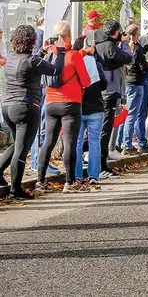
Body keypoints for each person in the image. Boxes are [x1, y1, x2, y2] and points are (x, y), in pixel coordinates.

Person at [0, 25, 56, 199]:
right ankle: (15, 190)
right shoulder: (33, 61)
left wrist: (41, 51)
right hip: (26, 106)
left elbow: (30, 64)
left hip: (7, 106)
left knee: (17, 145)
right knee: (21, 150)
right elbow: (53, 70)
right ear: (32, 41)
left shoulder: (10, 58)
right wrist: (57, 52)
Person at [36, 22, 93, 193]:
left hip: (51, 103)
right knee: (69, 142)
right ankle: (70, 182)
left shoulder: (48, 55)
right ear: (68, 34)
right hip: (71, 104)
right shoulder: (73, 56)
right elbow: (86, 81)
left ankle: (40, 180)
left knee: (48, 142)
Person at [94, 20, 133, 174]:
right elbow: (129, 58)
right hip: (109, 91)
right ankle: (101, 166)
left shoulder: (97, 45)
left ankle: (96, 164)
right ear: (116, 33)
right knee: (105, 129)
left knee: (98, 128)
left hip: (99, 90)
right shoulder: (110, 46)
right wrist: (124, 43)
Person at [73, 33, 107, 185]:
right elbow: (104, 84)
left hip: (78, 107)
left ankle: (77, 175)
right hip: (96, 107)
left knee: (77, 142)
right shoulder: (96, 63)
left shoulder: (73, 63)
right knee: (94, 142)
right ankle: (94, 174)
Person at [122, 24, 148, 154]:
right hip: (136, 82)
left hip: (127, 81)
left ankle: (122, 142)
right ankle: (127, 144)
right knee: (133, 114)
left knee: (128, 114)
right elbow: (141, 66)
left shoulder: (123, 46)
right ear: (136, 34)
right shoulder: (136, 48)